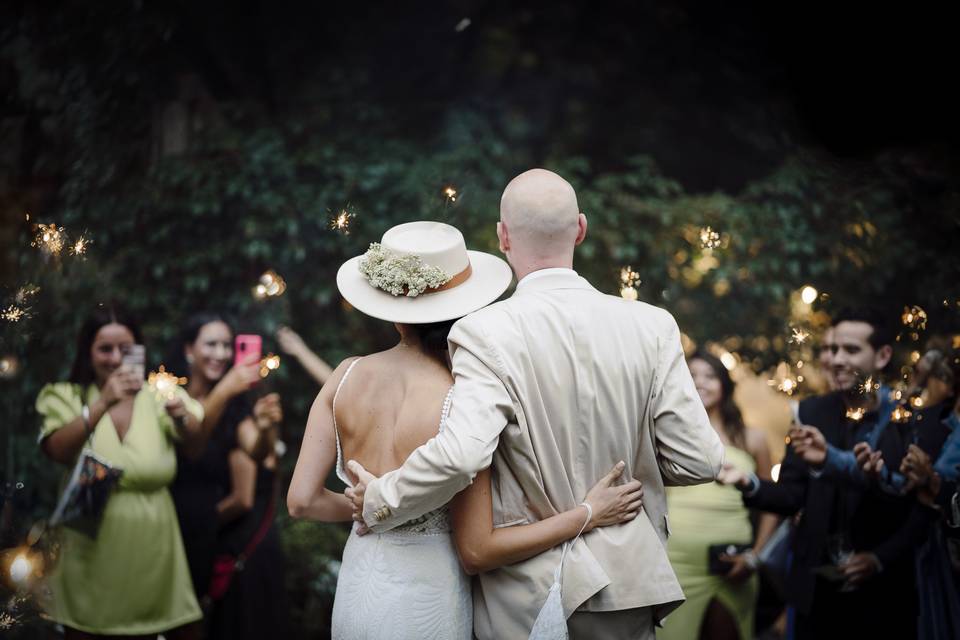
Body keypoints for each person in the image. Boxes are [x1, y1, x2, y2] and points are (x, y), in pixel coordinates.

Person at [344, 169, 724, 639]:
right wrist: (629, 459)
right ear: (581, 229)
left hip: (530, 595)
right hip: (630, 583)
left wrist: (381, 498)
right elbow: (701, 460)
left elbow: (462, 455)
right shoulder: (653, 325)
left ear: (502, 236)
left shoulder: (483, 332)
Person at [287, 220, 645, 640]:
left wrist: (372, 508)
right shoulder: (465, 398)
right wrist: (588, 514)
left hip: (359, 586)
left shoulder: (345, 376)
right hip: (429, 596)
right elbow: (479, 550)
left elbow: (302, 502)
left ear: (391, 307)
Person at [719, 307, 920, 639]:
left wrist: (879, 559)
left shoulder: (906, 417)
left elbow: (920, 507)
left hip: (885, 591)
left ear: (883, 355)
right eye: (834, 349)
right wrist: (748, 482)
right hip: (816, 588)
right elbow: (792, 495)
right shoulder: (811, 411)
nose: (837, 359)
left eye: (851, 350)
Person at [36, 305, 205, 639]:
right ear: (88, 352)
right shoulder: (66, 395)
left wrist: (182, 415)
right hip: (86, 547)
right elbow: (56, 450)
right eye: (105, 349)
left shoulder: (159, 394)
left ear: (139, 350)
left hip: (151, 548)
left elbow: (196, 443)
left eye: (124, 349)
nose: (115, 358)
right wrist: (102, 403)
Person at [165, 312, 286, 638]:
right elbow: (192, 441)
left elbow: (256, 451)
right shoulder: (171, 398)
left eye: (226, 346)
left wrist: (265, 428)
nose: (221, 354)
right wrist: (226, 389)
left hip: (207, 534)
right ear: (189, 349)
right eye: (211, 344)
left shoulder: (235, 404)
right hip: (168, 528)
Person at [659, 350, 778, 640]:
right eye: (691, 376)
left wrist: (755, 556)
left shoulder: (753, 438)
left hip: (732, 562)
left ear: (724, 385)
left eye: (709, 376)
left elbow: (772, 504)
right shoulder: (666, 435)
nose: (700, 382)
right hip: (675, 561)